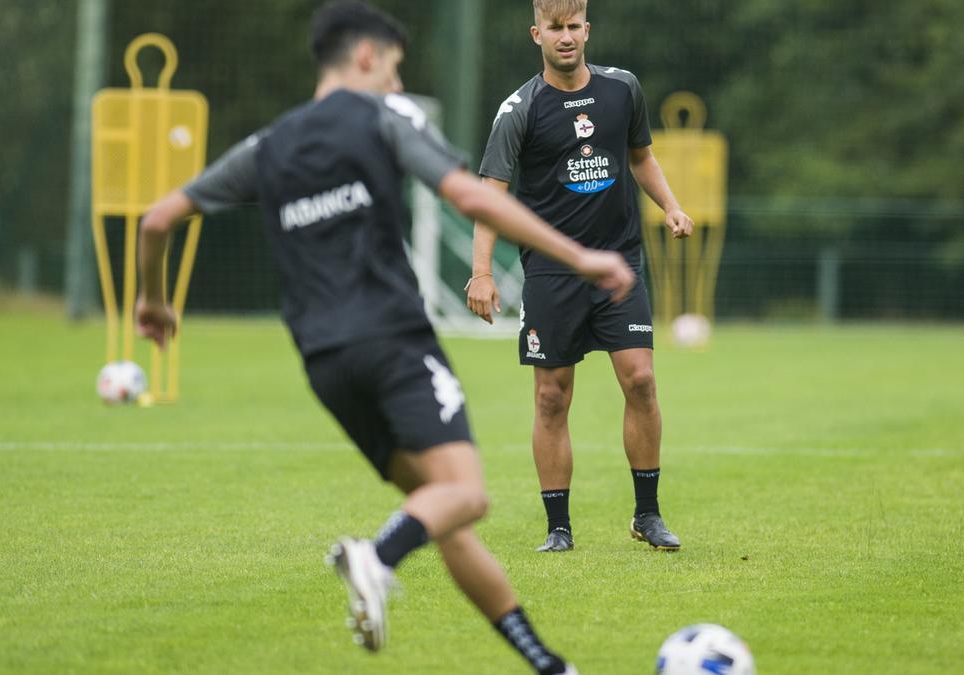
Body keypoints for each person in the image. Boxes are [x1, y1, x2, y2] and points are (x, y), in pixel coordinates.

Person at [134, 3, 635, 673]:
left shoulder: (267, 147)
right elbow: (474, 196)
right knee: (468, 494)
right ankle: (375, 556)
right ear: (366, 58)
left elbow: (158, 218)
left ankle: (546, 662)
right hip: (395, 344)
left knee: (441, 509)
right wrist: (581, 257)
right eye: (394, 69)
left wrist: (153, 299)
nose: (399, 87)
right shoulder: (383, 120)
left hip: (324, 363)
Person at [466, 0, 693, 553]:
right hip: (550, 271)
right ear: (535, 33)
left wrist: (671, 205)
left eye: (573, 27)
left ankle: (647, 515)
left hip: (619, 263)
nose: (564, 37)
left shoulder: (623, 89)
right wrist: (481, 273)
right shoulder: (519, 108)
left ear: (587, 30)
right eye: (554, 28)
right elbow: (490, 195)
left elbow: (641, 157)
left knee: (640, 379)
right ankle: (558, 529)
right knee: (551, 397)